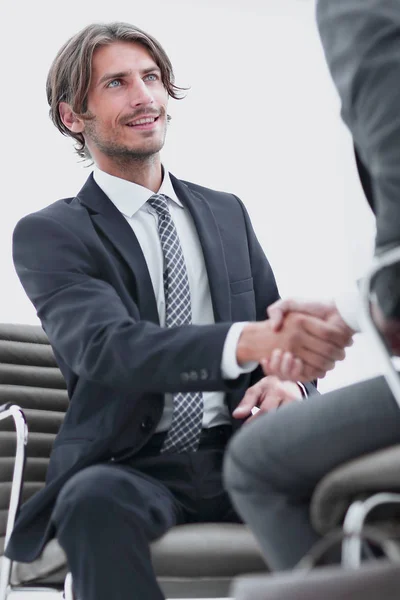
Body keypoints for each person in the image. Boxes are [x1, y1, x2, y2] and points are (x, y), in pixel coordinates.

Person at [4, 21, 351, 600]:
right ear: (73, 117)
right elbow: (109, 348)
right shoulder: (51, 234)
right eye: (116, 83)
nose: (144, 97)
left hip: (245, 456)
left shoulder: (226, 213)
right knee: (93, 504)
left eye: (152, 78)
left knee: (355, 494)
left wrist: (291, 387)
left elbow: (276, 345)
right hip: (131, 465)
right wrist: (248, 343)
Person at [223, 0, 400, 573]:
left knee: (256, 464)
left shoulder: (361, 10)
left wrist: (376, 308)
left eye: (151, 78)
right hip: (142, 470)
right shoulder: (53, 232)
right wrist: (352, 313)